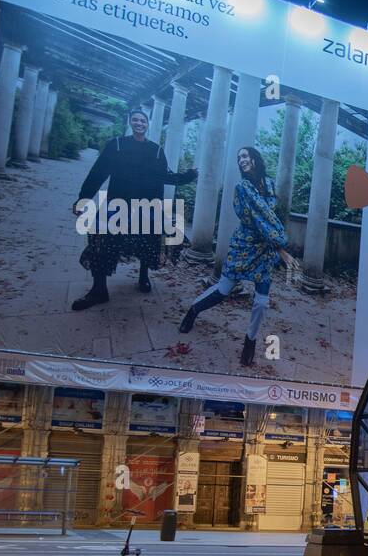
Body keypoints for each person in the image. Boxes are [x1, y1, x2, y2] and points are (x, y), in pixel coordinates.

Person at [71, 108, 197, 310]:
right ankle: (99, 290)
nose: (139, 123)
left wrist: (187, 177)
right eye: (136, 120)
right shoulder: (117, 145)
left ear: (147, 125)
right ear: (130, 122)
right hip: (117, 204)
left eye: (143, 120)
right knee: (101, 243)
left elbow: (166, 176)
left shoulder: (156, 150)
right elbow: (98, 173)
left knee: (146, 243)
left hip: (146, 207)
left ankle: (143, 276)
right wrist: (83, 198)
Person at [177, 146, 290, 367]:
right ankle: (193, 310)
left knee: (262, 302)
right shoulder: (242, 188)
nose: (242, 160)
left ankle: (250, 341)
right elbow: (256, 220)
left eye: (245, 156)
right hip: (245, 245)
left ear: (255, 158)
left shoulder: (268, 183)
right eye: (239, 158)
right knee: (223, 290)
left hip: (265, 249)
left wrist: (274, 243)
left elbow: (271, 215)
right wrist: (280, 246)